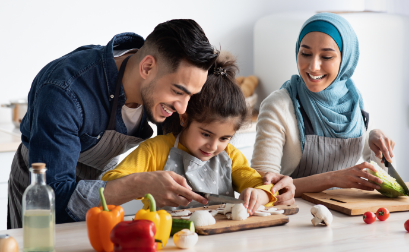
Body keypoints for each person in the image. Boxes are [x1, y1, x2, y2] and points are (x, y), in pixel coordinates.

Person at [7, 19, 219, 228]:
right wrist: (138, 184)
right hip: (42, 185)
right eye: (178, 92)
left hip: (98, 183)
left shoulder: (165, 88)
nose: (182, 108)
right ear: (146, 67)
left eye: (190, 96)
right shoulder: (64, 91)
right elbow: (56, 199)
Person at [102, 52, 277, 214]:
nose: (213, 146)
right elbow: (110, 180)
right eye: (206, 134)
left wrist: (259, 194)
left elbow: (260, 185)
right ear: (184, 118)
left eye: (224, 138)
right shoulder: (155, 150)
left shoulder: (230, 155)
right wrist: (146, 183)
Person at [251, 13, 395, 197]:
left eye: (326, 57)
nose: (313, 66)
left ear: (345, 60)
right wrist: (332, 179)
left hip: (349, 217)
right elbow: (260, 185)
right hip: (296, 217)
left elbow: (386, 181)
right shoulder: (278, 105)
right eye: (305, 54)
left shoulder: (355, 104)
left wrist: (378, 144)